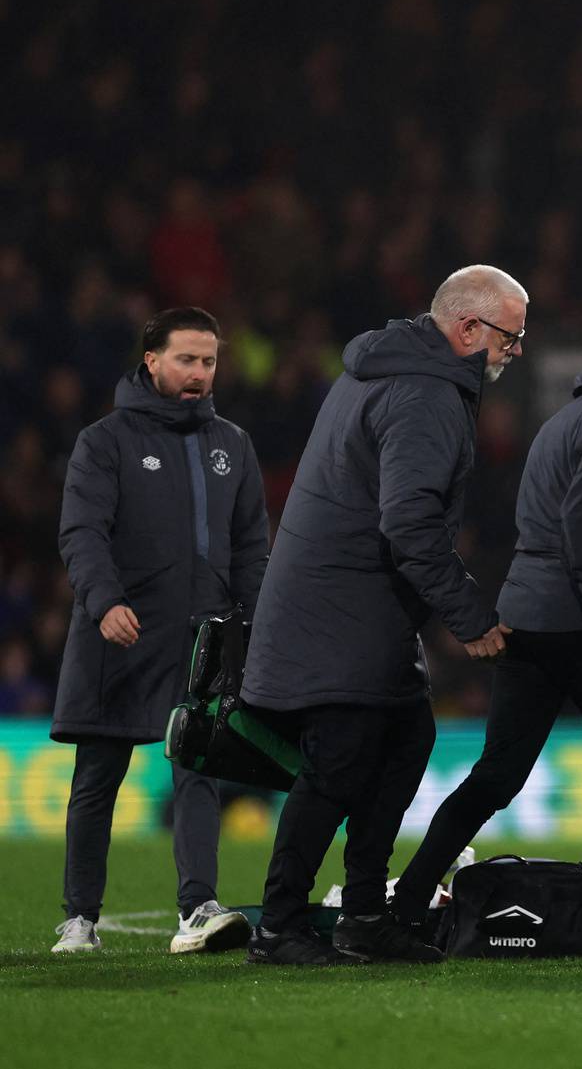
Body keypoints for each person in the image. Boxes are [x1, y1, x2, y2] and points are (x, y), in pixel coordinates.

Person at [242, 265, 524, 966]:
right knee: (338, 761)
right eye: (509, 339)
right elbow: (409, 524)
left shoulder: (393, 367)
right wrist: (467, 614)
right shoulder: (427, 392)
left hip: (350, 602)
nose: (513, 353)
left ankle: (365, 914)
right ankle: (279, 925)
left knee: (405, 738)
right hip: (341, 605)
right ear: (468, 329)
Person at [389, 312, 582, 921]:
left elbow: (558, 528)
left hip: (528, 613)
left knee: (496, 776)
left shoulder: (565, 419)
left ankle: (409, 897)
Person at [51, 307, 268, 956]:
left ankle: (196, 906)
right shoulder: (105, 440)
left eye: (208, 361)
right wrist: (103, 600)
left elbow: (253, 545)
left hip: (203, 640)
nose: (199, 373)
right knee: (98, 774)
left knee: (198, 769)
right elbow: (81, 532)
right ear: (151, 361)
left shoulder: (233, 444)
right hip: (118, 631)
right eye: (186, 360)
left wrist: (257, 625)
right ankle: (80, 917)